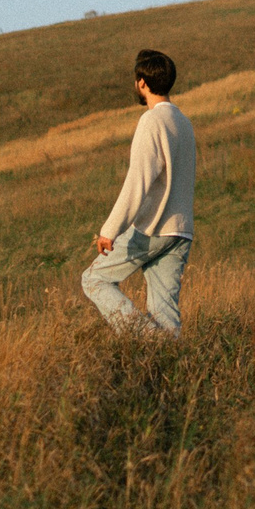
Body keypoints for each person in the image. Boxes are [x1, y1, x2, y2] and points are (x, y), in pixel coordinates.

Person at [81, 49, 195, 333]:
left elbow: (138, 181)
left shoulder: (151, 121)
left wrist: (110, 229)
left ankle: (144, 338)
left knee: (94, 280)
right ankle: (171, 363)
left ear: (142, 83)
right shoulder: (183, 122)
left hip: (153, 228)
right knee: (165, 315)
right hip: (180, 230)